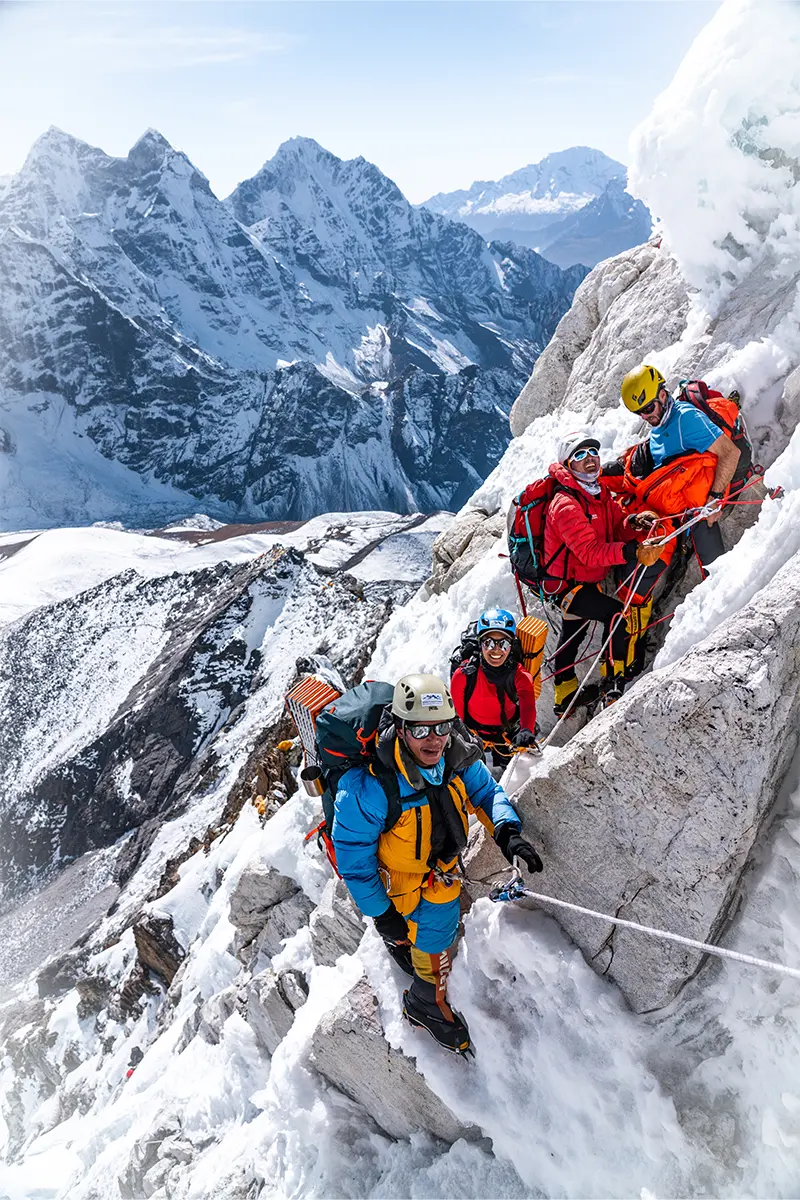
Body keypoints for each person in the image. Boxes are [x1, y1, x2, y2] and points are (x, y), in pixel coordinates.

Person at [332, 673, 543, 1056]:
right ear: (401, 728)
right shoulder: (369, 787)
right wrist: (382, 914)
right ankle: (425, 1002)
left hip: (439, 862)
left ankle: (405, 946)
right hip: (402, 878)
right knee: (438, 923)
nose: (434, 740)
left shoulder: (455, 754)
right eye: (421, 730)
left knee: (435, 910)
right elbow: (354, 861)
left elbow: (484, 791)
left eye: (441, 727)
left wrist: (507, 831)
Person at [542, 430, 661, 715]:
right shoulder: (566, 505)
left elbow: (615, 526)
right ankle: (613, 683)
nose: (590, 459)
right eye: (580, 455)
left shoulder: (597, 493)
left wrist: (633, 521)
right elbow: (591, 553)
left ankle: (563, 697)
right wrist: (633, 552)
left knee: (574, 633)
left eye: (593, 452)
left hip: (581, 581)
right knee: (616, 616)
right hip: (567, 586)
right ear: (568, 464)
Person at [609, 364, 741, 576]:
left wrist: (715, 499)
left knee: (699, 520)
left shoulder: (686, 420)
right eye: (639, 413)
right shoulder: (662, 419)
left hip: (689, 499)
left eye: (647, 409)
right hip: (665, 482)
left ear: (662, 395)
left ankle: (719, 579)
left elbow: (730, 453)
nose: (644, 416)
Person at [451, 608, 538, 769]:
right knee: (473, 771)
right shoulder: (463, 675)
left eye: (503, 643)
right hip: (473, 733)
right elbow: (457, 718)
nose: (496, 649)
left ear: (511, 646)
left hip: (507, 733)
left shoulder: (520, 675)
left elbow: (528, 705)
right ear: (480, 644)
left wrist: (526, 730)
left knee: (512, 767)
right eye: (488, 642)